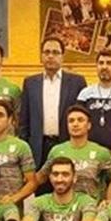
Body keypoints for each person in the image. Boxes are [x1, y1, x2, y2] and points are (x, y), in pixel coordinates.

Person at [19, 35, 87, 170]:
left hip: (67, 144)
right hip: (38, 147)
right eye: (47, 52)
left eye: (55, 52)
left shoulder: (77, 82)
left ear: (63, 56)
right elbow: (24, 121)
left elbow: (83, 117)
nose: (50, 56)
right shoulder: (30, 83)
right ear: (41, 56)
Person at [36, 105, 111, 202]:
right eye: (71, 121)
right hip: (63, 207)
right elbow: (41, 177)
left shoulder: (101, 152)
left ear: (89, 125)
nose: (75, 124)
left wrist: (109, 199)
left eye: (80, 120)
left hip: (93, 207)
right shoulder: (56, 151)